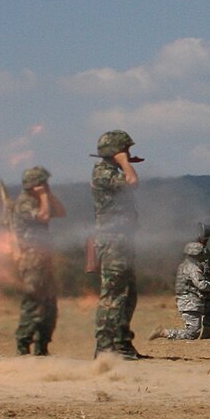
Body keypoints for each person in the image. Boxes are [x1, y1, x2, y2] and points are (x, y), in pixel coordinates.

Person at [90, 129, 145, 360]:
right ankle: (105, 347)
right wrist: (124, 160)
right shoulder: (103, 172)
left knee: (127, 294)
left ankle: (122, 344)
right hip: (112, 241)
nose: (129, 154)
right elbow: (132, 181)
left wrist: (122, 160)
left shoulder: (110, 171)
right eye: (125, 150)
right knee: (113, 294)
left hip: (121, 241)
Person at [11, 165, 67, 356]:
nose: (46, 185)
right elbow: (43, 217)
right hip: (31, 258)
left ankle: (42, 345)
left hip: (44, 257)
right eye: (43, 183)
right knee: (33, 301)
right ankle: (23, 345)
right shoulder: (24, 203)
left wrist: (48, 195)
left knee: (49, 303)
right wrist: (43, 196)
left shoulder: (39, 200)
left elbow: (60, 212)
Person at [149, 241, 210, 341]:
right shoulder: (192, 267)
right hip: (189, 301)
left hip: (194, 298)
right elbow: (202, 285)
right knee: (192, 333)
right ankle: (163, 332)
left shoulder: (188, 264)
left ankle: (207, 332)